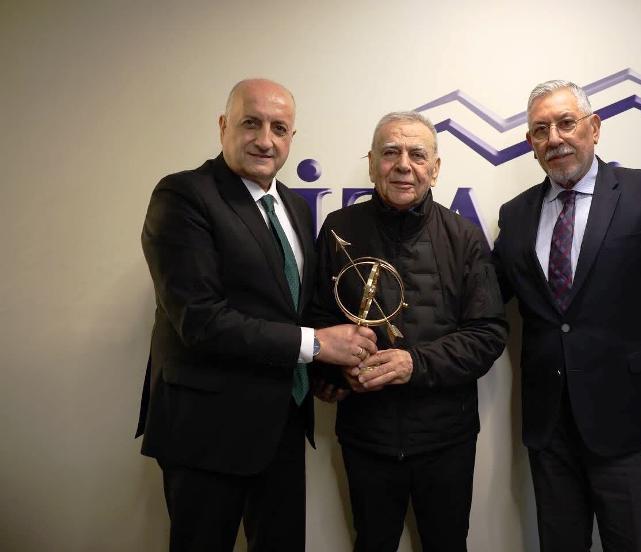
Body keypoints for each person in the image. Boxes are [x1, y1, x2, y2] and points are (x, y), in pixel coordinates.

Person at [136, 78, 377, 552]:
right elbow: (200, 320)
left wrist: (328, 370)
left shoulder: (294, 206)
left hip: (281, 424)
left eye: (279, 128)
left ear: (291, 137)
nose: (265, 140)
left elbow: (288, 307)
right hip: (206, 431)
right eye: (251, 123)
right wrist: (318, 345)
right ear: (223, 126)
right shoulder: (183, 195)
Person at [492, 80, 641, 551]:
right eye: (541, 130)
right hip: (551, 431)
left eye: (566, 123)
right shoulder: (516, 215)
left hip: (634, 428)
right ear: (530, 143)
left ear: (594, 128)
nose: (554, 138)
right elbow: (484, 300)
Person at [310, 111, 507, 552]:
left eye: (417, 155)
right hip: (367, 436)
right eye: (390, 153)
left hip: (446, 439)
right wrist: (333, 374)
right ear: (371, 164)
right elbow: (316, 319)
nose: (403, 165)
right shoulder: (339, 229)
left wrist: (413, 364)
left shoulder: (464, 238)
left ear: (435, 168)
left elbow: (488, 334)